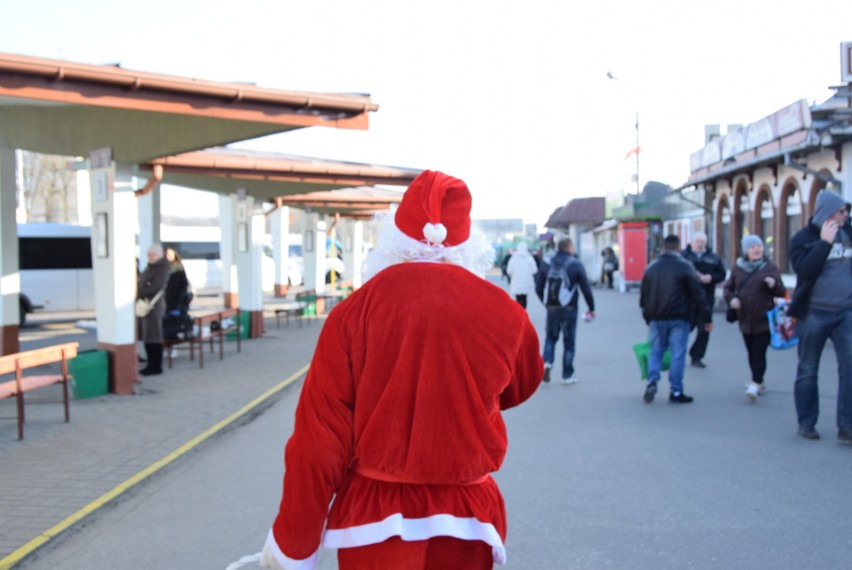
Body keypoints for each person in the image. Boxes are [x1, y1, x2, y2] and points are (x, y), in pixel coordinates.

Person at [260, 170, 543, 569]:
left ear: (393, 240)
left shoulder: (353, 313)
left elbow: (319, 441)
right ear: (468, 246)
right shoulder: (505, 313)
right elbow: (522, 384)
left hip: (374, 522)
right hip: (468, 519)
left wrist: (295, 544)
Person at [788, 190, 852, 443]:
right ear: (827, 212)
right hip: (814, 313)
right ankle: (807, 422)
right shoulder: (803, 239)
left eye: (847, 211)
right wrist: (825, 243)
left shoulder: (848, 233)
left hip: (845, 312)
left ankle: (846, 425)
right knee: (808, 369)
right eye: (841, 211)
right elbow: (804, 270)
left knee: (849, 369)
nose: (846, 215)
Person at [639, 234, 711, 404]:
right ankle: (676, 391)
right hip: (680, 317)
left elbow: (644, 296)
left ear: (663, 247)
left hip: (657, 317)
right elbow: (698, 293)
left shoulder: (651, 268)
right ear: (679, 248)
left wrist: (647, 316)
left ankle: (652, 382)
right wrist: (706, 317)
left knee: (656, 351)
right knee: (678, 353)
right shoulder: (686, 266)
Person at [723, 235, 787, 402]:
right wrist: (732, 300)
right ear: (746, 251)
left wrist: (774, 284)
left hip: (764, 318)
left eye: (759, 246)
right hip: (745, 318)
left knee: (759, 351)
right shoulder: (738, 267)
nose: (756, 249)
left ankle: (755, 382)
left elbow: (782, 292)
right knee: (751, 351)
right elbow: (728, 289)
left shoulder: (770, 267)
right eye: (752, 247)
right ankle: (759, 380)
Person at [534, 237, 595, 384]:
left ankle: (547, 363)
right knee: (569, 342)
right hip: (570, 307)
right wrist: (591, 307)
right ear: (568, 248)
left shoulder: (547, 263)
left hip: (552, 307)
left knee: (550, 337)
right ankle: (567, 375)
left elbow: (538, 285)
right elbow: (585, 288)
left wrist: (545, 301)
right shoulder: (575, 264)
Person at [681, 232, 726, 368]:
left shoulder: (713, 258)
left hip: (706, 300)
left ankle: (697, 356)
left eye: (702, 242)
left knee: (704, 330)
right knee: (683, 329)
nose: (700, 244)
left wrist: (711, 278)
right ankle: (678, 354)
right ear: (691, 242)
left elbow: (722, 274)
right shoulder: (684, 257)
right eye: (697, 241)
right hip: (687, 300)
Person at [137, 244, 170, 376]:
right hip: (146, 305)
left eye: (152, 255)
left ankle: (156, 366)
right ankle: (150, 364)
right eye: (148, 255)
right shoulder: (151, 266)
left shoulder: (162, 268)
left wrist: (138, 292)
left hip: (154, 306)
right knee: (147, 336)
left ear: (159, 255)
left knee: (154, 336)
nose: (150, 257)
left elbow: (156, 287)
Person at [162, 247, 193, 346]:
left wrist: (179, 298)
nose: (168, 256)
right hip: (165, 301)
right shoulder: (163, 268)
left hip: (176, 302)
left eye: (170, 254)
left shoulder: (179, 268)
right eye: (166, 254)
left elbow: (184, 285)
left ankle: (173, 345)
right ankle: (169, 344)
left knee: (174, 322)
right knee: (166, 323)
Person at [506, 242, 538, 308]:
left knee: (518, 299)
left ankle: (518, 313)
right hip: (527, 283)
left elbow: (509, 271)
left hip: (516, 282)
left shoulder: (514, 258)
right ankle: (524, 312)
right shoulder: (529, 258)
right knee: (524, 298)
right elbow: (534, 270)